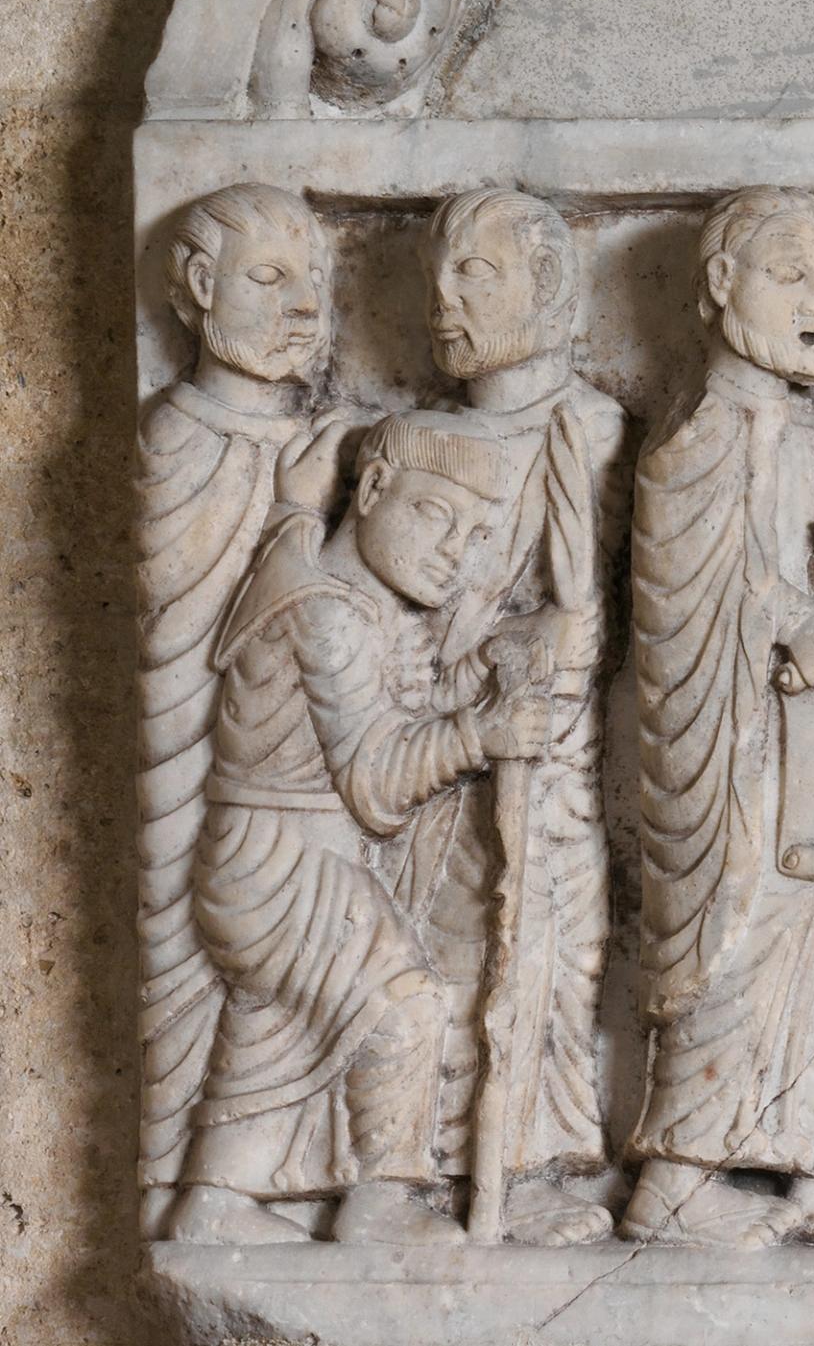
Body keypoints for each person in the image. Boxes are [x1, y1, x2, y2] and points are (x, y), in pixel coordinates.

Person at [169, 433, 575, 1243]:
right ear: (374, 486)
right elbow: (375, 775)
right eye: (434, 515)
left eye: (473, 536)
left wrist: (491, 666)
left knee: (276, 1027)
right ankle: (380, 1200)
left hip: (275, 857)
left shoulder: (339, 591)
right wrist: (482, 734)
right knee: (403, 1001)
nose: (451, 553)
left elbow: (402, 709)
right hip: (284, 861)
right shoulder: (327, 616)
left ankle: (213, 1206)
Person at [622, 188, 814, 1248]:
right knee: (732, 934)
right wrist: (790, 624)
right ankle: (674, 1180)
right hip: (730, 744)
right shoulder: (704, 429)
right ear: (717, 287)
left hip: (810, 739)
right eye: (790, 272)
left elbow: (807, 570)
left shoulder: (807, 429)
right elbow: (690, 579)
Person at [367, 187, 622, 1243]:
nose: (444, 296)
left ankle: (537, 1161)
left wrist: (573, 635)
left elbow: (628, 598)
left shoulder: (594, 428)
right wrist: (493, 655)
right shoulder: (409, 441)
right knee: (455, 944)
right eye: (436, 272)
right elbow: (381, 616)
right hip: (444, 744)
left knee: (561, 948)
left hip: (564, 755)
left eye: (476, 270)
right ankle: (426, 1163)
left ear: (552, 287)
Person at [139, 184, 351, 1223]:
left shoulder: (321, 442)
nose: (305, 306)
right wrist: (297, 514)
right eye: (270, 278)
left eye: (316, 281)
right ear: (193, 287)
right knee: (192, 955)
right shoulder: (175, 437)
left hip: (316, 783)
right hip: (199, 778)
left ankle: (288, 1175)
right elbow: (199, 635)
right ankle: (190, 1177)